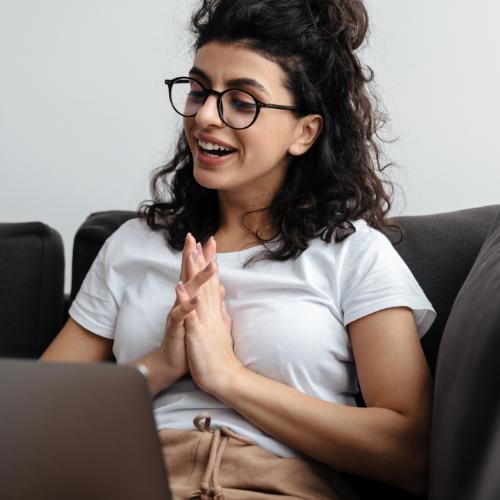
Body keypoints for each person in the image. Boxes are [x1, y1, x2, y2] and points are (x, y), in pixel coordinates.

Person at [40, 0, 437, 498]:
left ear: (304, 131)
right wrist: (162, 365)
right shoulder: (132, 245)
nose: (206, 116)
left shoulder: (354, 253)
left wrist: (227, 377)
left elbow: (411, 455)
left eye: (242, 102)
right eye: (199, 91)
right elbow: (33, 426)